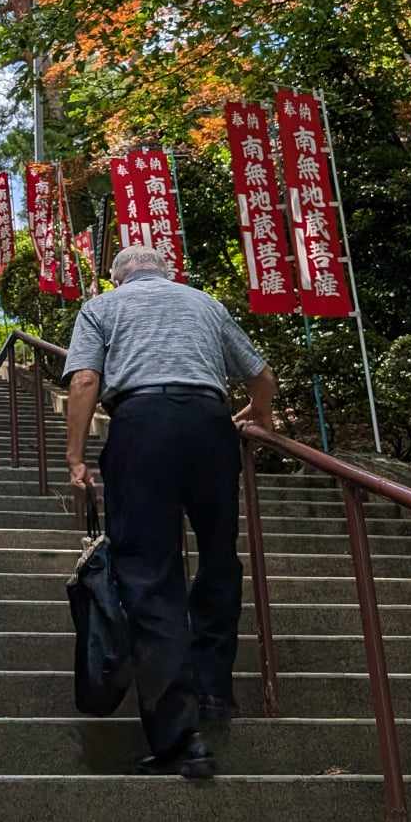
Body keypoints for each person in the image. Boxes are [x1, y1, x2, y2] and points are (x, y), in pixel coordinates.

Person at [63, 244, 276, 779]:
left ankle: (181, 739)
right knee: (220, 560)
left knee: (148, 574)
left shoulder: (102, 308)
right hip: (210, 424)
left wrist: (75, 459)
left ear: (118, 279)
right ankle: (214, 694)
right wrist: (259, 419)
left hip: (141, 425)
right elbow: (261, 377)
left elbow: (85, 380)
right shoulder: (203, 303)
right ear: (167, 272)